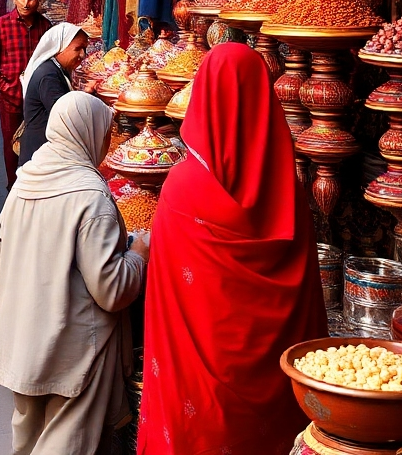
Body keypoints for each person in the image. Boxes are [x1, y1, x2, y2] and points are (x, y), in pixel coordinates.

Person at [137, 43, 328, 455]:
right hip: (278, 393)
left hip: (199, 394)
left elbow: (165, 300)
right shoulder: (289, 192)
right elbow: (308, 300)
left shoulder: (182, 190)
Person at [0, 92, 147, 455]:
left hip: (23, 343)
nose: (106, 142)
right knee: (68, 444)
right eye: (105, 133)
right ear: (87, 133)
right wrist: (138, 255)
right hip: (75, 353)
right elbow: (112, 290)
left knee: (29, 441)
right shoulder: (90, 196)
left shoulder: (26, 180)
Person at [0, 0, 52, 188]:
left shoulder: (45, 27)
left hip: (38, 101)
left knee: (39, 146)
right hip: (11, 99)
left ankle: (35, 190)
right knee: (11, 147)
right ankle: (14, 189)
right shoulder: (1, 25)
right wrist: (3, 86)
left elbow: (52, 61)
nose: (26, 3)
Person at [18, 24, 88, 166]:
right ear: (60, 48)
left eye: (84, 49)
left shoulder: (55, 69)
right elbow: (65, 116)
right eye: (78, 48)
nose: (83, 55)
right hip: (40, 155)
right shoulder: (48, 76)